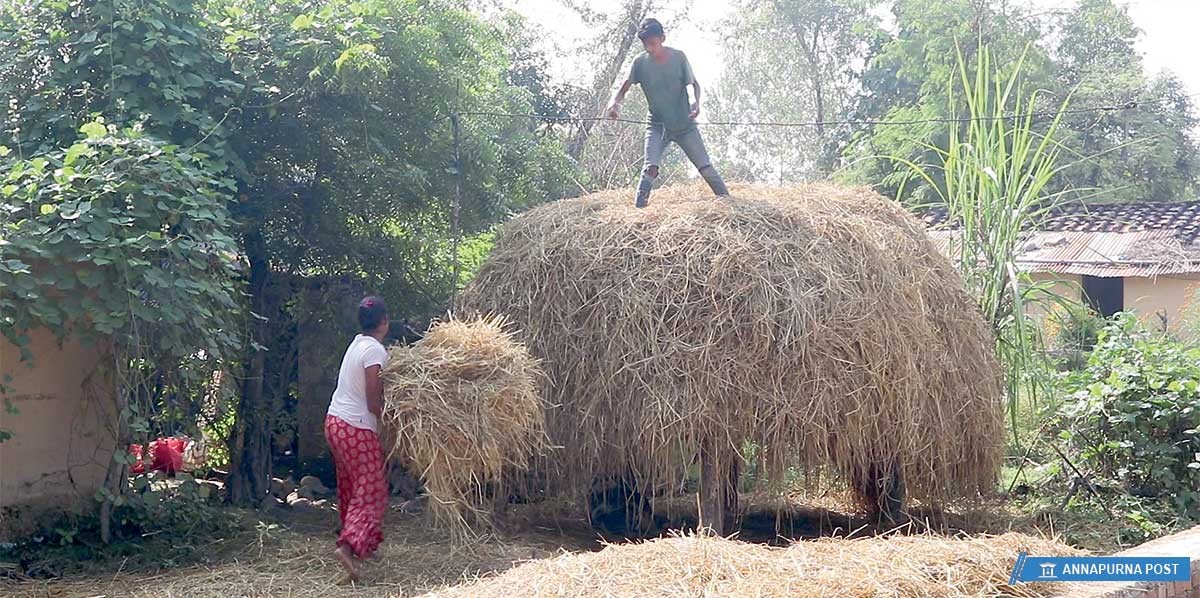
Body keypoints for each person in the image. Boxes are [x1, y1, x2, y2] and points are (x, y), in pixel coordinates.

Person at [606, 17, 729, 208]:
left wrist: (697, 103)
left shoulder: (679, 57)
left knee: (705, 167)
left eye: (653, 44)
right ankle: (639, 209)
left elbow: (695, 84)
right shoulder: (640, 63)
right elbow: (623, 88)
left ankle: (729, 203)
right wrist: (614, 103)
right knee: (650, 168)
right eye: (646, 45)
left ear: (662, 38)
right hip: (657, 125)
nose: (650, 48)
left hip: (685, 125)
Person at [325, 296, 390, 581]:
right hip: (356, 427)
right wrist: (387, 419)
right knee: (372, 489)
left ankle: (364, 544)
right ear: (384, 322)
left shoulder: (357, 344)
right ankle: (349, 547)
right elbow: (373, 398)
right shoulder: (375, 351)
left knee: (351, 486)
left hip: (335, 423)